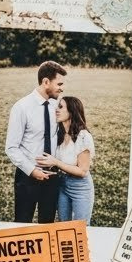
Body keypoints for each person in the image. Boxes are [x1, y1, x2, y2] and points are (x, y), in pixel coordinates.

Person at [4, 60, 66, 224]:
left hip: (52, 176)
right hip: (27, 177)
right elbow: (11, 148)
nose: (62, 88)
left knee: (47, 226)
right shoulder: (21, 107)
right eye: (59, 84)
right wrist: (32, 171)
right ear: (46, 82)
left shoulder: (57, 106)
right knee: (22, 224)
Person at [37, 94, 95, 224]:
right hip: (62, 185)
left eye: (61, 107)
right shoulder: (59, 134)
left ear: (72, 111)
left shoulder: (83, 136)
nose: (57, 110)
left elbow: (82, 171)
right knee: (63, 225)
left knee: (81, 228)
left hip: (81, 188)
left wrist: (55, 162)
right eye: (57, 107)